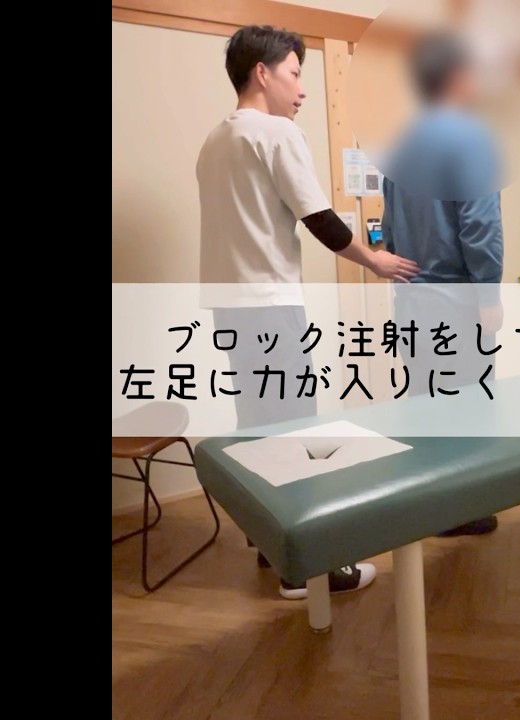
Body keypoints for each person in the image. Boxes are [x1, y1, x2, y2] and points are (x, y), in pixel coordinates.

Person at [196, 25, 419, 599]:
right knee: (294, 431)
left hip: (230, 305)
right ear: (262, 72)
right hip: (269, 303)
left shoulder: (216, 140)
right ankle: (307, 572)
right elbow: (321, 220)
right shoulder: (277, 133)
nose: (301, 90)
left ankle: (271, 547)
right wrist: (374, 259)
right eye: (294, 74)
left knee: (259, 427)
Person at [382, 30, 504, 537]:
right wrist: (488, 294)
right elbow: (480, 226)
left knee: (425, 400)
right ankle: (462, 510)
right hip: (457, 297)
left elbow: (389, 228)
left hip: (412, 297)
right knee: (468, 407)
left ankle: (429, 504)